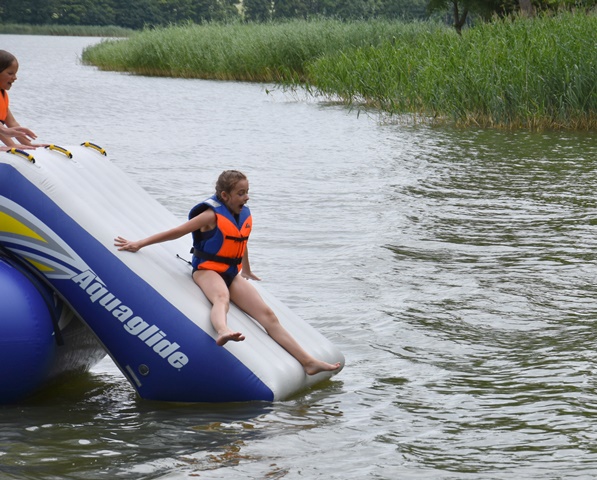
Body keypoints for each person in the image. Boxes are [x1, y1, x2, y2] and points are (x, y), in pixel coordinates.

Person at [115, 170, 341, 376]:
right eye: (241, 193)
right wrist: (139, 243)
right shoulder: (210, 216)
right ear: (225, 195)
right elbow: (177, 232)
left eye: (247, 192)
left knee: (268, 316)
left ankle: (308, 362)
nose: (246, 197)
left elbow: (241, 240)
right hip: (206, 270)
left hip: (231, 273)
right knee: (221, 298)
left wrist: (247, 269)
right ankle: (223, 330)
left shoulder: (242, 215)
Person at [0, 50, 41, 151]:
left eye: (15, 74)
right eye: (10, 73)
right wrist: (12, 144)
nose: (15, 78)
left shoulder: (2, 96)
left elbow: (12, 124)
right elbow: (3, 130)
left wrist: (30, 146)